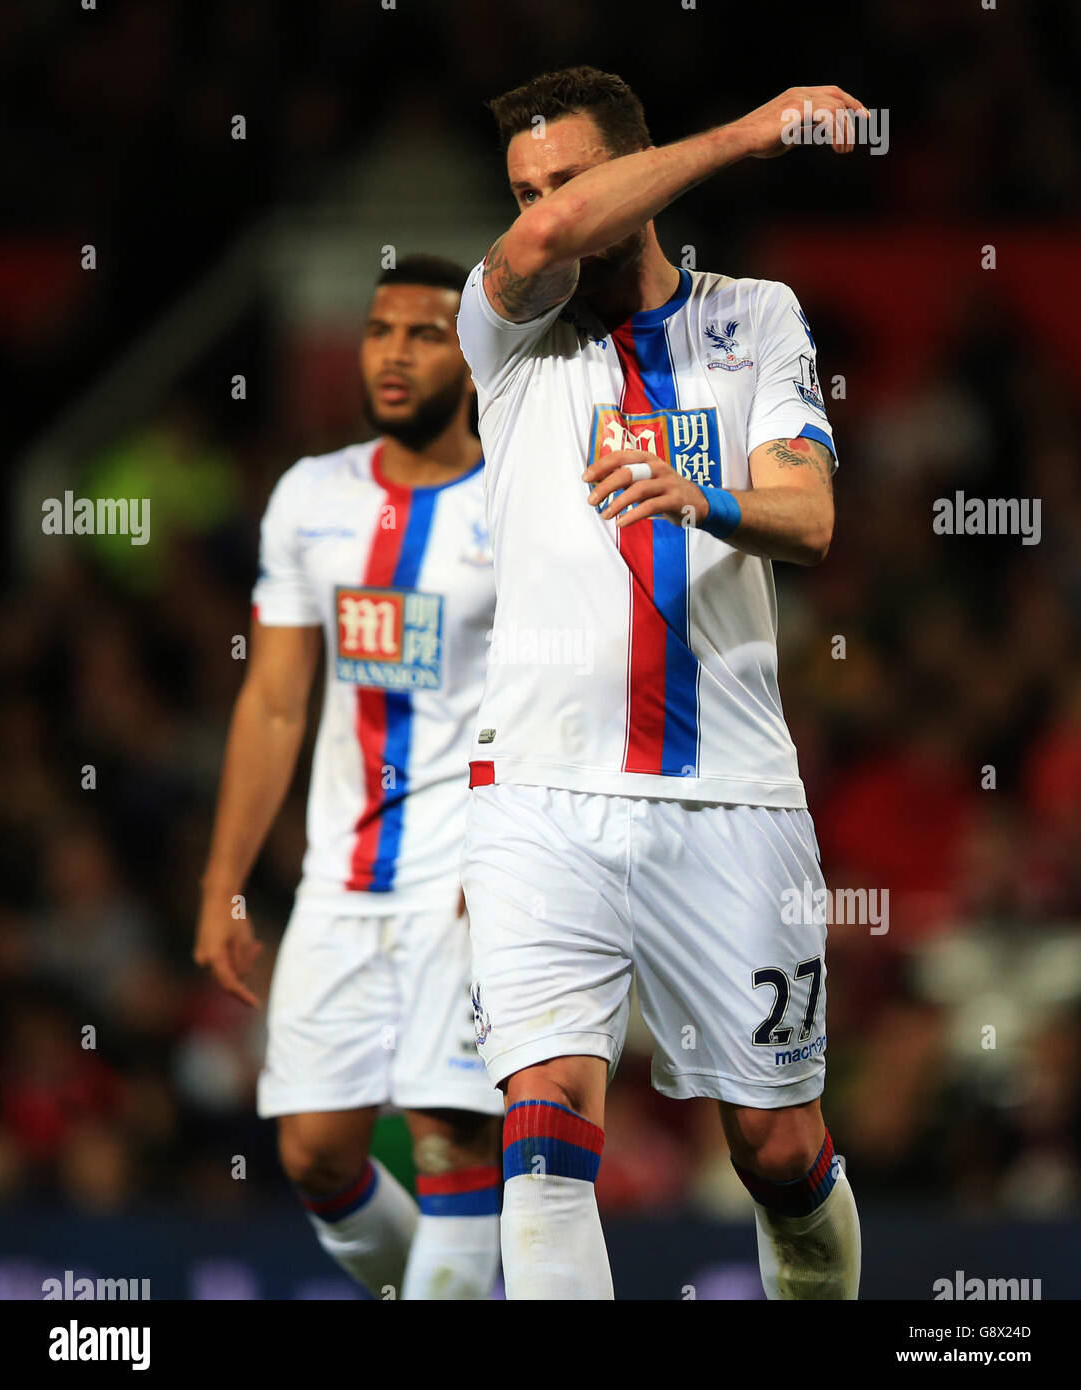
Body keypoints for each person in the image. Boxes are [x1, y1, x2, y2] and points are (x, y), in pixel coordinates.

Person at [456, 67, 865, 1299]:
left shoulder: (754, 316)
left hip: (729, 796)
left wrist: (711, 497)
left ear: (636, 179)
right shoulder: (504, 331)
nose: (544, 212)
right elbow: (542, 243)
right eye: (523, 187)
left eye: (571, 179)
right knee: (542, 1138)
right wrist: (748, 133)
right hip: (534, 791)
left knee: (777, 1149)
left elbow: (811, 518)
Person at [195, 255, 503, 1300]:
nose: (395, 353)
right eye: (380, 330)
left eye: (424, 332)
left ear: (473, 352)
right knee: (316, 1156)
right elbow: (274, 702)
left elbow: (565, 694)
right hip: (340, 879)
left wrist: (516, 859)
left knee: (451, 1138)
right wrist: (222, 883)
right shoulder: (308, 498)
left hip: (471, 876)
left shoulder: (517, 499)